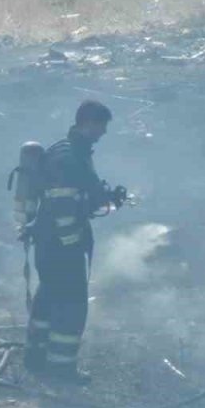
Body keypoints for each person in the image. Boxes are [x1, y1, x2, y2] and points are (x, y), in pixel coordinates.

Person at [24, 100, 124, 384]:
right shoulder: (69, 157)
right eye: (101, 126)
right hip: (61, 246)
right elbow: (63, 205)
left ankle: (35, 358)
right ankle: (61, 369)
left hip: (48, 244)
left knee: (47, 298)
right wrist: (72, 242)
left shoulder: (68, 152)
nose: (103, 133)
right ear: (88, 123)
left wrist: (105, 199)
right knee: (71, 306)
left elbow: (78, 198)